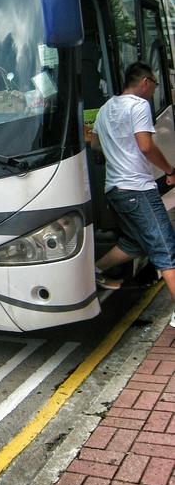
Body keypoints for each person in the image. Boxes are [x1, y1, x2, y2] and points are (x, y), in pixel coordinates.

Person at [90, 62, 175, 326]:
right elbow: (146, 146)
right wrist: (169, 170)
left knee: (137, 243)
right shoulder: (138, 106)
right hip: (137, 189)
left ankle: (93, 271)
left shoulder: (105, 110)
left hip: (115, 190)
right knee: (166, 249)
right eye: (154, 85)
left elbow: (95, 144)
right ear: (145, 82)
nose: (153, 91)